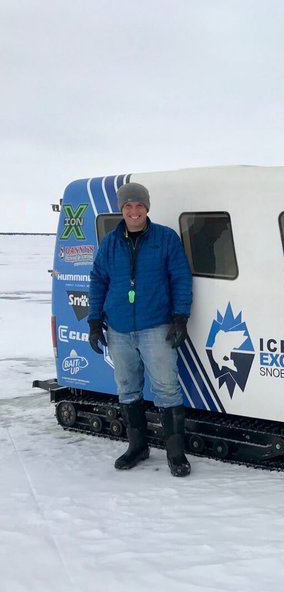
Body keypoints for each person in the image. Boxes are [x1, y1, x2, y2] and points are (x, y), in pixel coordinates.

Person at [88, 182, 194, 477]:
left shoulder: (165, 238)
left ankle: (176, 454)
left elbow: (181, 278)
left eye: (139, 206)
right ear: (121, 210)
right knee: (127, 388)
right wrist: (95, 322)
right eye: (128, 206)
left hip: (156, 327)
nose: (134, 212)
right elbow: (98, 281)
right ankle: (138, 447)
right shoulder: (110, 243)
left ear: (147, 208)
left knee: (166, 389)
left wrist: (180, 318)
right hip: (119, 329)